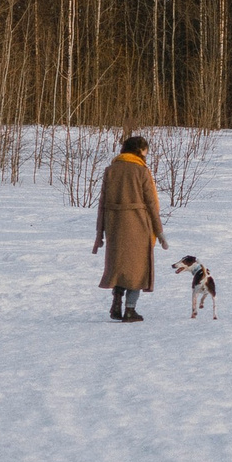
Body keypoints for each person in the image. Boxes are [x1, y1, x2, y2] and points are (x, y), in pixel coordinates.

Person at [93, 135, 167, 322]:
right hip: (138, 224)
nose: (146, 154)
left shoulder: (110, 170)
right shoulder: (141, 171)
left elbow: (102, 203)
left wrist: (100, 232)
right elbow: (151, 203)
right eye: (146, 150)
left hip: (114, 225)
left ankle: (117, 298)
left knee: (119, 265)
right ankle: (130, 310)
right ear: (139, 150)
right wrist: (159, 231)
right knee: (137, 268)